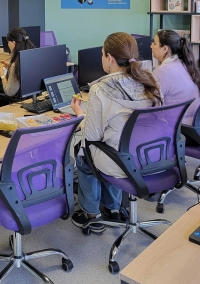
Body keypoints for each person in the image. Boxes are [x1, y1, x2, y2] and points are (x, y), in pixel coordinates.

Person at [70, 32, 163, 233]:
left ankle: (91, 214)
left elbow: (91, 137)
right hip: (151, 156)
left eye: (102, 54)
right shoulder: (150, 81)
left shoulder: (101, 89)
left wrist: (80, 114)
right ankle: (113, 208)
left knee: (83, 153)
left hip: (122, 161)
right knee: (112, 145)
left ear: (110, 58)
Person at [151, 30, 200, 125]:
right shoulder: (184, 63)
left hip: (177, 125)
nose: (151, 46)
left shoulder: (162, 71)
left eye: (154, 43)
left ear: (165, 49)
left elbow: (151, 105)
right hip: (195, 122)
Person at [0, 27, 35, 106]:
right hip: (29, 96)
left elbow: (9, 92)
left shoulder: (16, 64)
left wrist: (2, 75)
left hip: (18, 99)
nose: (8, 45)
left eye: (8, 42)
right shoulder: (29, 56)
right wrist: (9, 67)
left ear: (14, 43)